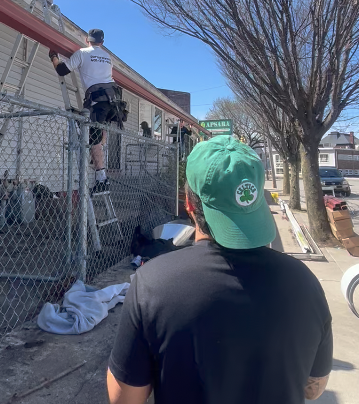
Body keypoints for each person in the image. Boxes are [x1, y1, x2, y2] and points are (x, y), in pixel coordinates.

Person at [107, 135, 332, 404]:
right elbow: (314, 388)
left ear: (189, 204)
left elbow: (124, 399)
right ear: (257, 201)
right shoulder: (304, 282)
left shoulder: (151, 285)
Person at [49, 29, 124, 190]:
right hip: (113, 99)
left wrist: (53, 56)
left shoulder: (82, 53)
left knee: (94, 139)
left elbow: (62, 70)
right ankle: (97, 157)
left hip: (97, 99)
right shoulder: (107, 57)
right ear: (102, 42)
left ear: (86, 39)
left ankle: (101, 179)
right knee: (99, 131)